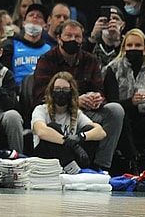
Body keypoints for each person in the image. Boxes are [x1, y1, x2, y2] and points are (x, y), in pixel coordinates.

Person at [32, 19, 124, 172]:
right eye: (68, 36)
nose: (73, 40)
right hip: (56, 111)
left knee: (115, 110)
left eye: (77, 37)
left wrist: (96, 99)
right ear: (59, 39)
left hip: (82, 112)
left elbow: (100, 94)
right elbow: (39, 97)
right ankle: (69, 164)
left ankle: (101, 166)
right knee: (52, 128)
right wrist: (74, 100)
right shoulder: (46, 60)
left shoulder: (90, 59)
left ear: (82, 39)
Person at [104, 29, 145, 174]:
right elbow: (111, 102)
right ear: (123, 48)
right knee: (120, 114)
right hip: (124, 118)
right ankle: (134, 161)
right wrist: (131, 102)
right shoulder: (112, 69)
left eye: (138, 45)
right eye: (130, 45)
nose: (133, 49)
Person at [31, 71, 106, 168]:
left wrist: (80, 137)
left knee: (88, 130)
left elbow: (100, 132)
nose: (61, 92)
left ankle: (80, 167)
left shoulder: (76, 113)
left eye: (65, 89)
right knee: (53, 127)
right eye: (57, 89)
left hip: (70, 157)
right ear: (51, 91)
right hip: (46, 159)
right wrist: (68, 142)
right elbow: (41, 131)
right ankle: (71, 167)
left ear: (71, 93)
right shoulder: (41, 110)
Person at [1, 3, 51, 87]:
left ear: (45, 26)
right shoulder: (10, 45)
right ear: (23, 23)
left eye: (39, 16)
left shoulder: (49, 50)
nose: (35, 17)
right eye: (31, 15)